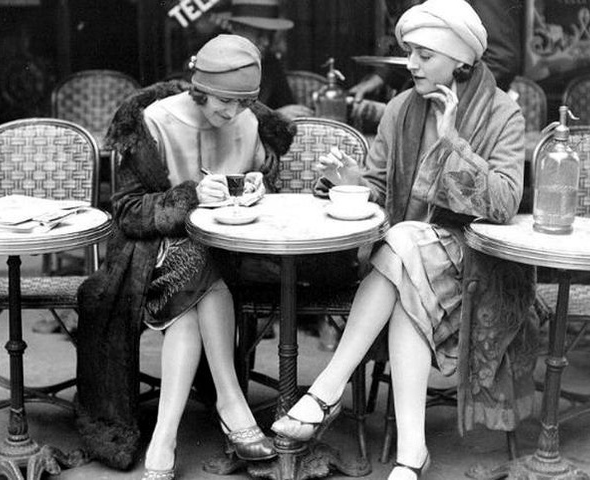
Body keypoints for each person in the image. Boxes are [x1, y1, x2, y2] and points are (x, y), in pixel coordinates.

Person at [269, 1, 539, 479]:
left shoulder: (503, 114)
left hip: (474, 258)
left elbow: (503, 203)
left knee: (401, 245)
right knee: (405, 262)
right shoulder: (400, 109)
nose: (410, 63)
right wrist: (349, 181)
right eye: (410, 52)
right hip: (408, 260)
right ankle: (412, 453)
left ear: (460, 60)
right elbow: (376, 187)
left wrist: (453, 140)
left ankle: (326, 391)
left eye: (424, 55)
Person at [75, 34, 296, 477]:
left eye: (243, 103)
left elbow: (258, 189)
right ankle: (231, 404)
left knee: (198, 277)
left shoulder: (248, 122)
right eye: (224, 102)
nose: (232, 113)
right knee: (197, 265)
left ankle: (165, 436)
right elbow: (127, 212)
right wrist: (190, 196)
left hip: (227, 252)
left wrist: (258, 185)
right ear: (199, 89)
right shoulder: (154, 121)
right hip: (150, 253)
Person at [349, 0, 523, 101]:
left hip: (472, 113)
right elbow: (422, 38)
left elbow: (502, 59)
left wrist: (446, 94)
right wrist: (382, 77)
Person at [224, 0, 314, 119]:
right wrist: (272, 117)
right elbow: (223, 119)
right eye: (260, 35)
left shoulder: (270, 63)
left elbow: (286, 105)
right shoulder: (214, 63)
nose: (266, 42)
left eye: (270, 35)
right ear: (236, 29)